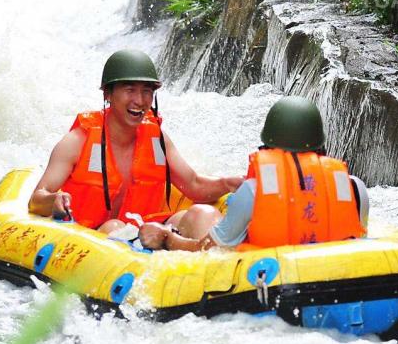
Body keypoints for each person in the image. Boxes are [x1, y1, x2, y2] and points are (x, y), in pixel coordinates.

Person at [29, 49, 243, 237]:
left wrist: (229, 183)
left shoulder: (158, 140)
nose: (140, 101)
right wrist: (53, 200)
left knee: (202, 214)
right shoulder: (77, 142)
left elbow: (194, 185)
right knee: (114, 227)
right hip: (92, 239)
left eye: (146, 91)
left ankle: (218, 274)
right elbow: (37, 198)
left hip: (146, 232)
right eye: (130, 90)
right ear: (108, 94)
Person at [139, 96, 369, 251]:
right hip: (337, 276)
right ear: (320, 142)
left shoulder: (254, 190)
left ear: (268, 144)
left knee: (201, 215)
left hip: (270, 278)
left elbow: (210, 250)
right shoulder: (354, 186)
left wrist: (168, 238)